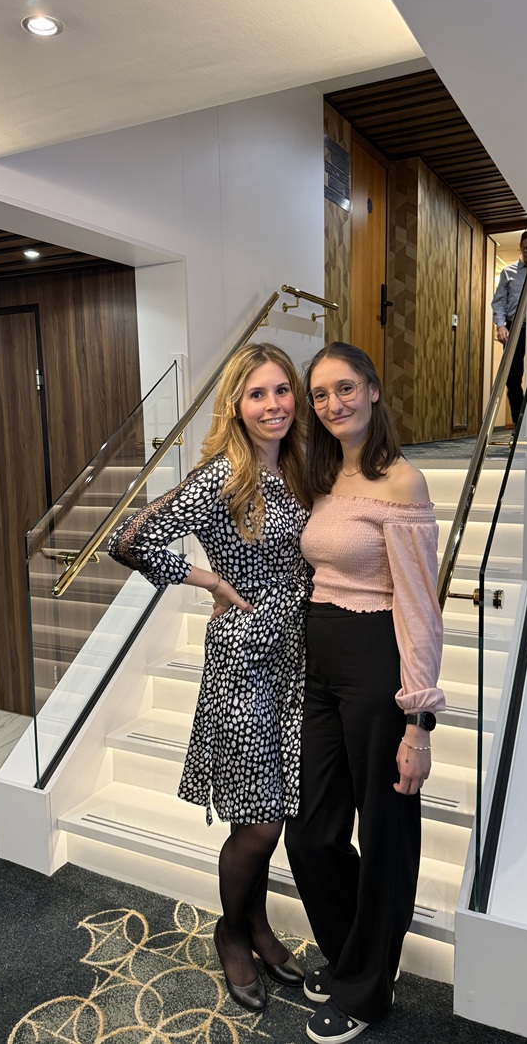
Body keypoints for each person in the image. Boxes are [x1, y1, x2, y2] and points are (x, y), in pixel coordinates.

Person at [108, 342, 312, 1012]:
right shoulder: (223, 474)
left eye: (282, 390)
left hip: (294, 659)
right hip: (243, 658)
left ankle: (257, 925)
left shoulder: (299, 467)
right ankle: (232, 932)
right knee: (259, 822)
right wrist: (211, 580)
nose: (273, 404)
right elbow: (128, 539)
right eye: (258, 394)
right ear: (236, 404)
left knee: (270, 808)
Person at [284, 341, 445, 1044]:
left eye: (344, 388)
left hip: (377, 664)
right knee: (311, 830)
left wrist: (419, 723)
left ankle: (367, 988)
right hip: (320, 664)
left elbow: (420, 607)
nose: (332, 403)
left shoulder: (402, 482)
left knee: (384, 832)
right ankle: (363, 955)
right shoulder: (323, 475)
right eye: (320, 394)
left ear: (373, 390)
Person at [492, 229, 527, 422]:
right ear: (520, 247)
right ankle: (520, 424)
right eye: (525, 248)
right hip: (515, 328)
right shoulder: (508, 272)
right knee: (512, 378)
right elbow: (499, 302)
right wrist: (500, 326)